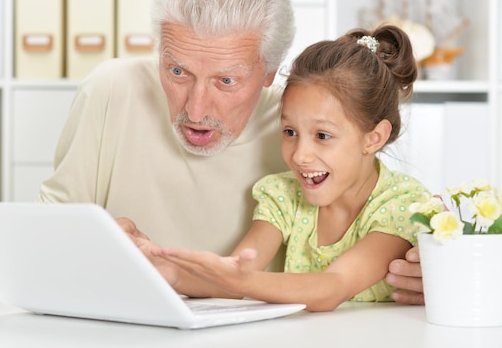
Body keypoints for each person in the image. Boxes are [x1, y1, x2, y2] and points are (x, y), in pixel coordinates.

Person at [37, 0, 425, 304]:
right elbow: (44, 247)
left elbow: (354, 258)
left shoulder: (305, 116)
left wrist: (438, 261)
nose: (195, 107)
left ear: (271, 73)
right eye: (177, 71)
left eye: (226, 80)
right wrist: (149, 263)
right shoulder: (110, 91)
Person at [145, 25, 431, 312]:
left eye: (322, 136)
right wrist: (164, 270)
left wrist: (242, 282)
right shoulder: (283, 195)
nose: (300, 156)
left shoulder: (403, 205)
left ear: (374, 138)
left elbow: (333, 287)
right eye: (290, 132)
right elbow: (228, 279)